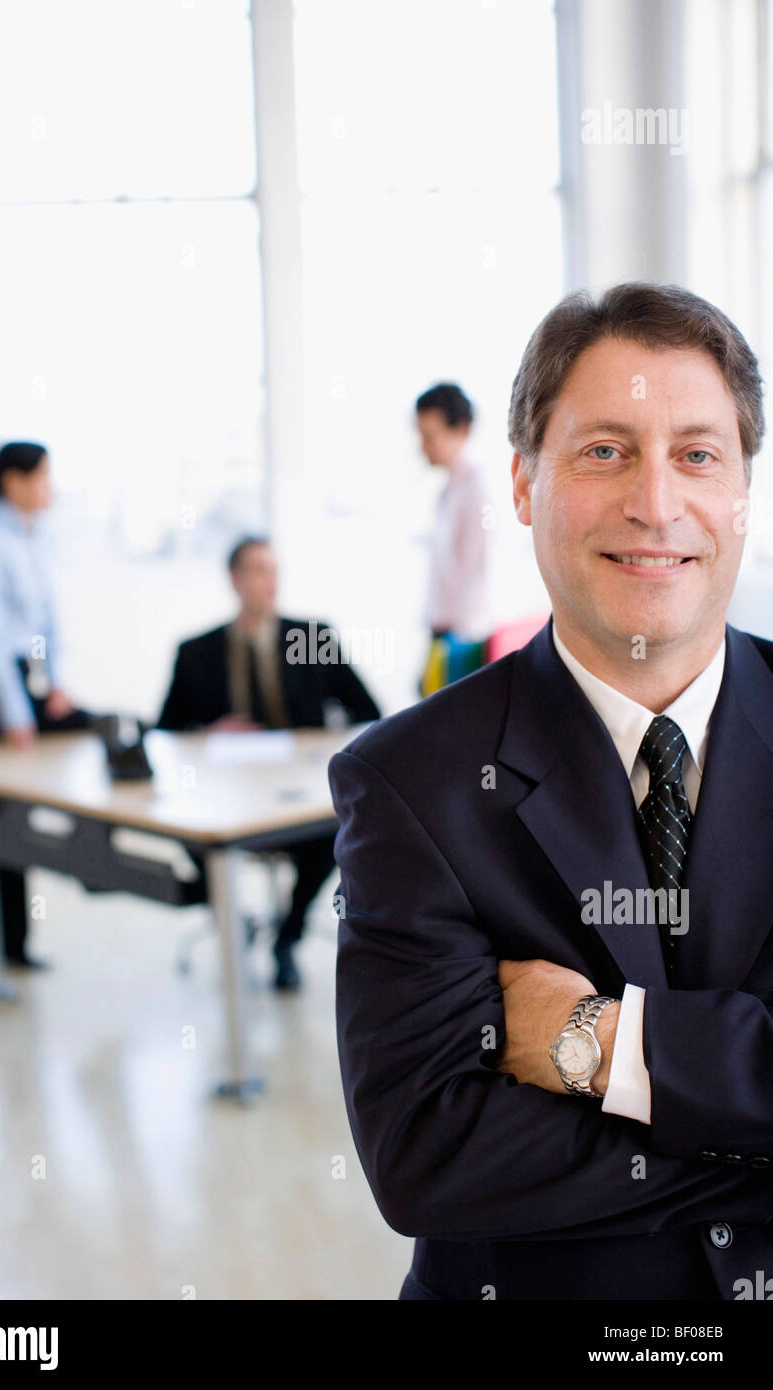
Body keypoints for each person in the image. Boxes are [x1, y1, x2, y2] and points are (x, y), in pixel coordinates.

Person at [329, 282, 773, 1301]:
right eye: (604, 451)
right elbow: (428, 1154)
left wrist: (604, 1046)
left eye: (697, 455)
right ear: (524, 483)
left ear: (743, 488)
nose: (654, 503)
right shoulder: (409, 781)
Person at [156, 536, 380, 990]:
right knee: (186, 826)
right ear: (235, 579)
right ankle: (229, 918)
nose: (270, 581)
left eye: (274, 570)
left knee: (333, 828)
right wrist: (209, 731)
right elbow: (164, 732)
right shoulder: (197, 652)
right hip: (227, 792)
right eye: (259, 570)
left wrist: (314, 738)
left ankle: (288, 935)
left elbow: (367, 711)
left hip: (296, 788)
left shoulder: (311, 638)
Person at [0, 441, 92, 967]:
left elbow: (46, 623)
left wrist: (54, 683)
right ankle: (10, 947)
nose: (49, 488)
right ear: (12, 482)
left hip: (28, 680)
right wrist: (14, 714)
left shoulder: (35, 537)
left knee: (94, 726)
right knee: (5, 811)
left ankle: (86, 854)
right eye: (42, 478)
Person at [415, 382, 492, 695]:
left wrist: (455, 648)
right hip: (443, 635)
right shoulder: (449, 491)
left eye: (429, 437)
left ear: (460, 430)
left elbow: (474, 574)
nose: (423, 447)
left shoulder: (476, 494)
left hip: (461, 639)